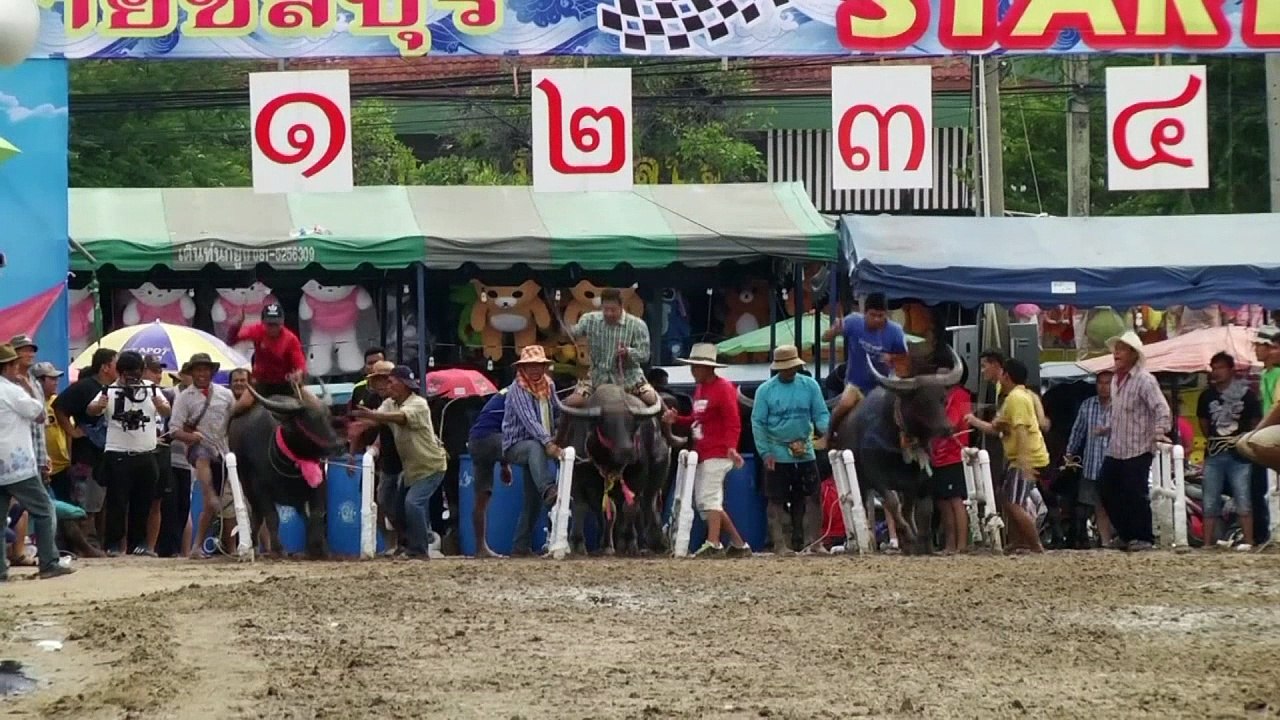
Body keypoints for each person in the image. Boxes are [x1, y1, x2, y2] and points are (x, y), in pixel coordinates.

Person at [352, 366, 448, 559]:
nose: (388, 385)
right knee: (396, 508)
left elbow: (400, 418)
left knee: (413, 504)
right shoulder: (390, 403)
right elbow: (378, 419)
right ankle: (411, 543)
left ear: (403, 385)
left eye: (391, 381)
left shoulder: (418, 404)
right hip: (412, 468)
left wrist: (371, 416)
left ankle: (420, 550)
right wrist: (358, 424)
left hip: (431, 465)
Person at [665, 344, 751, 557]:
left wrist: (731, 446)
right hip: (704, 450)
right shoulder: (701, 389)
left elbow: (733, 421)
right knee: (707, 502)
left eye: (696, 367)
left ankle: (713, 543)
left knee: (709, 498)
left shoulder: (724, 389)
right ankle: (739, 544)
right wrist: (678, 420)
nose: (693, 372)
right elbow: (697, 419)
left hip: (718, 451)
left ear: (708, 368)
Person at [0, 344, 74, 580]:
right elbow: (39, 414)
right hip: (16, 463)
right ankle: (49, 561)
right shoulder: (10, 390)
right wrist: (28, 388)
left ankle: (1, 568)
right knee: (44, 509)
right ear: (9, 367)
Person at [87, 350, 170, 556]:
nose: (131, 378)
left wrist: (160, 405)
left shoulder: (151, 389)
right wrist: (99, 406)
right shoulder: (110, 390)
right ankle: (113, 544)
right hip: (118, 454)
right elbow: (91, 410)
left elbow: (166, 410)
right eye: (127, 374)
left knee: (143, 502)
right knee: (117, 502)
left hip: (146, 453)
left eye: (135, 373)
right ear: (120, 372)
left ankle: (139, 543)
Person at [751, 345, 830, 555]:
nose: (789, 371)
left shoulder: (810, 386)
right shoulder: (765, 391)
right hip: (777, 450)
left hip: (805, 447)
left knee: (813, 495)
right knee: (776, 499)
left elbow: (821, 413)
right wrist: (765, 452)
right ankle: (779, 543)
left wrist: (826, 431)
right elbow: (758, 423)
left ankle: (815, 541)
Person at [1098, 331, 1171, 552]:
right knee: (1106, 488)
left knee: (1134, 492)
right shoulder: (1116, 381)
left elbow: (1161, 408)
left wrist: (1159, 431)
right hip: (1118, 446)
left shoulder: (1145, 380)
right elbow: (1122, 414)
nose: (1116, 353)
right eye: (1116, 349)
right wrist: (1107, 429)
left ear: (1132, 354)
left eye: (1121, 349)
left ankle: (1143, 536)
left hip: (1138, 446)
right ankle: (1127, 533)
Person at [967, 358, 1047, 553]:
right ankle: (1020, 541)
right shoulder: (1016, 397)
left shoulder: (1016, 398)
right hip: (1020, 457)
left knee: (1014, 503)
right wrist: (974, 420)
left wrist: (1023, 463)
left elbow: (1020, 430)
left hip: (1026, 456)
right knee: (1006, 497)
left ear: (1006, 376)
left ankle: (1035, 545)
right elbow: (997, 428)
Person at [170, 354, 236, 559]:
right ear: (192, 373)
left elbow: (235, 419)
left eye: (205, 369)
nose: (202, 374)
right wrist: (191, 436)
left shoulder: (225, 395)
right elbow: (173, 430)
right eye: (198, 370)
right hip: (198, 447)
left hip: (224, 450)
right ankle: (208, 492)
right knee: (203, 459)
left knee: (220, 505)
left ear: (211, 372)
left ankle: (200, 546)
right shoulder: (184, 398)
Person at [822, 293, 908, 445]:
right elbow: (825, 338)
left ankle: (906, 441)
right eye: (872, 315)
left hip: (883, 386)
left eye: (880, 316)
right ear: (865, 313)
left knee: (900, 409)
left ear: (886, 315)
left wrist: (892, 358)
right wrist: (834, 331)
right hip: (856, 384)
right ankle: (829, 437)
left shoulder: (895, 332)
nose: (876, 319)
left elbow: (905, 358)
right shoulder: (853, 322)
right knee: (844, 405)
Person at [1197, 352, 1262, 551]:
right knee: (1209, 499)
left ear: (1231, 369)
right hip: (1215, 453)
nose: (1216, 371)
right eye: (1214, 367)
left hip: (1239, 455)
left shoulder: (1247, 395)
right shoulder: (1206, 395)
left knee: (1243, 496)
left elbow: (1254, 422)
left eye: (1220, 367)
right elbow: (1204, 424)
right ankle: (1207, 543)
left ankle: (1249, 541)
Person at [52, 347, 117, 547]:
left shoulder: (116, 389)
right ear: (106, 367)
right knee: (82, 502)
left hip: (106, 454)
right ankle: (82, 545)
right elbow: (59, 407)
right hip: (85, 455)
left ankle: (98, 541)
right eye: (116, 363)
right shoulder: (85, 387)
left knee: (101, 502)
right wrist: (72, 431)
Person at [501, 346, 562, 556]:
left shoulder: (549, 386)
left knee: (532, 501)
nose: (535, 370)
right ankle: (548, 488)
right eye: (531, 366)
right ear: (523, 368)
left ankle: (520, 546)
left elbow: (556, 411)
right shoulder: (517, 390)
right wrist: (549, 443)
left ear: (544, 367)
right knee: (534, 447)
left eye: (539, 365)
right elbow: (530, 422)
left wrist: (562, 429)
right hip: (517, 445)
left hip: (539, 446)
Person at [564, 288, 659, 407]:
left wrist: (628, 352)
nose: (609, 313)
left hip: (630, 380)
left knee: (652, 400)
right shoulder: (589, 320)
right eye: (605, 309)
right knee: (571, 403)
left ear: (621, 306)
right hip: (596, 379)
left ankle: (666, 421)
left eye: (613, 310)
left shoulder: (637, 325)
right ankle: (558, 425)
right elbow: (574, 332)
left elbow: (644, 354)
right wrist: (565, 328)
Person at [351, 360, 406, 556]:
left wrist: (372, 431)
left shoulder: (406, 400)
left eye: (386, 379)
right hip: (381, 459)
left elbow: (382, 422)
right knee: (381, 500)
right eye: (377, 379)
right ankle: (393, 542)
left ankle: (407, 541)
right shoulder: (367, 397)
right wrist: (352, 455)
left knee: (405, 502)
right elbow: (358, 426)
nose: (382, 384)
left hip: (405, 457)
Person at [1064, 369, 1115, 548]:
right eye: (1100, 383)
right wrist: (1070, 452)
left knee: (1115, 503)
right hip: (1092, 463)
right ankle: (1105, 541)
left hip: (1115, 463)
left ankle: (1117, 537)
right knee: (1098, 505)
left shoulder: (1121, 406)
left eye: (1107, 383)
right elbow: (1077, 430)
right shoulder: (1087, 405)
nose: (1103, 387)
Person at [229, 302, 308, 417]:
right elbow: (232, 340)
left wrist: (298, 374)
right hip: (261, 384)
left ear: (282, 323)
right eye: (269, 324)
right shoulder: (257, 331)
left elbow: (300, 365)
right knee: (239, 407)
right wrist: (236, 326)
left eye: (276, 324)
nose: (272, 328)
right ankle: (224, 433)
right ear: (263, 323)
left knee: (316, 407)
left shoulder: (291, 339)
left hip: (287, 385)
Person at [929, 352, 972, 555]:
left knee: (955, 500)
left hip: (954, 455)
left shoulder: (960, 395)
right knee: (943, 502)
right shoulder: (940, 397)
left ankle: (961, 545)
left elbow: (952, 424)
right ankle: (949, 544)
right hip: (938, 456)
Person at [156, 362, 193, 558]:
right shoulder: (169, 394)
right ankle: (168, 549)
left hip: (188, 460)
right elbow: (163, 422)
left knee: (183, 506)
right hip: (168, 456)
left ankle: (178, 549)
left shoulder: (199, 399)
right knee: (169, 504)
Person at [467, 386, 509, 558]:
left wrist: (505, 465)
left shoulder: (504, 393)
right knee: (530, 449)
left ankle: (480, 546)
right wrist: (506, 464)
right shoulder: (521, 393)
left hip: (476, 439)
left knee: (481, 497)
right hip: (492, 438)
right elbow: (515, 427)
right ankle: (548, 489)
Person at [11, 335, 49, 491]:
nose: (30, 354)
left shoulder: (34, 382)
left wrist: (45, 456)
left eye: (32, 351)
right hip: (17, 457)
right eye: (25, 351)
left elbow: (42, 420)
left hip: (37, 454)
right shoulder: (8, 384)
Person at [33, 362, 71, 503]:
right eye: (52, 379)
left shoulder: (59, 402)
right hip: (39, 466)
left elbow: (68, 431)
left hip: (61, 466)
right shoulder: (31, 404)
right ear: (39, 381)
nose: (56, 382)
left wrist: (69, 459)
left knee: (65, 505)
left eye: (57, 378)